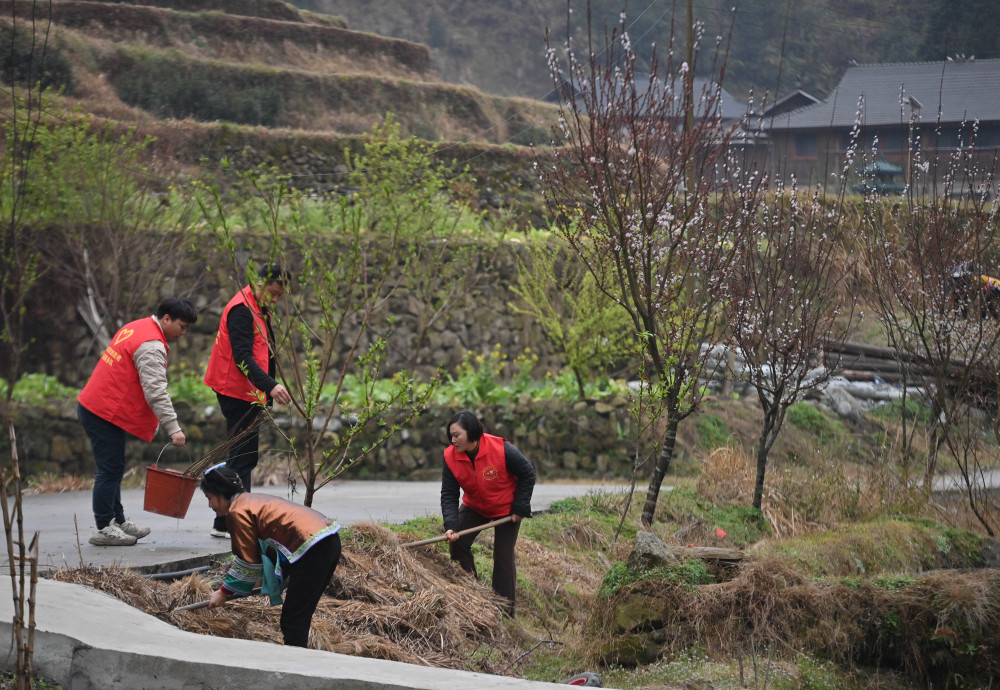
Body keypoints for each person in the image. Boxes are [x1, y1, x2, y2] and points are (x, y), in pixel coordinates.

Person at [77, 297, 198, 546]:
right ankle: (103, 527)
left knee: (115, 466)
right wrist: (173, 428)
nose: (183, 333)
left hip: (102, 407)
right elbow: (156, 391)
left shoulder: (138, 326)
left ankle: (118, 520)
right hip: (103, 411)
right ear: (166, 319)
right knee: (109, 469)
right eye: (182, 326)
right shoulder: (151, 345)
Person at [201, 465, 342, 648]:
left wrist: (223, 592)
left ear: (220, 493)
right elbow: (259, 551)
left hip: (314, 548)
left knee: (293, 620)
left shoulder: (237, 512)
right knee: (299, 616)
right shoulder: (249, 500)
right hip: (327, 538)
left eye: (210, 498)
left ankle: (297, 669)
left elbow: (246, 561)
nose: (210, 505)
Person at [203, 263, 292, 538]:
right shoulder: (242, 309)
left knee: (244, 457)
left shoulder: (256, 305)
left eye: (280, 296)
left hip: (248, 392)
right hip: (236, 390)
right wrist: (271, 386)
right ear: (259, 283)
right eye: (273, 293)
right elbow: (243, 357)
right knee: (241, 458)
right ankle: (231, 521)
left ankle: (229, 521)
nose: (275, 300)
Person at [440, 410, 535, 616]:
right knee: (457, 544)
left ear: (472, 432)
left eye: (457, 435)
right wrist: (451, 525)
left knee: (503, 556)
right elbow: (449, 493)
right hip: (475, 505)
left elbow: (527, 472)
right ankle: (474, 597)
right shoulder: (450, 457)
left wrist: (520, 507)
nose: (453, 440)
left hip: (506, 508)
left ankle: (503, 611)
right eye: (451, 435)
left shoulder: (501, 449)